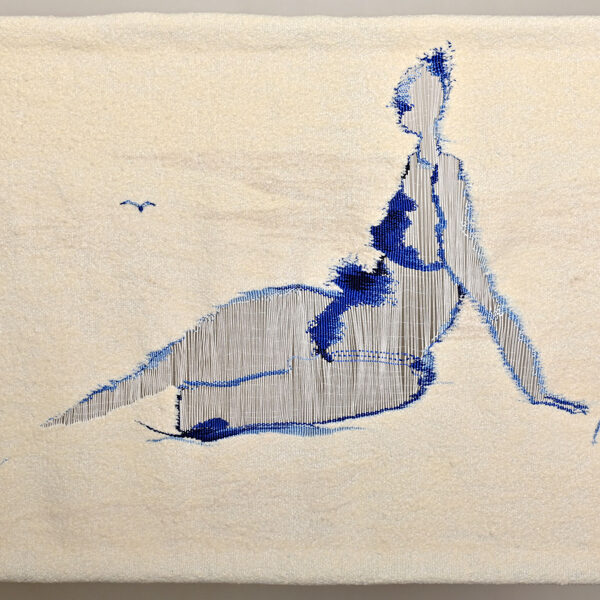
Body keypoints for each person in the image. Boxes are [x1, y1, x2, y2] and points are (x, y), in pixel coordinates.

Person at [46, 47, 587, 440]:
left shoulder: (447, 180)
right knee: (201, 346)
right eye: (403, 98)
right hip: (340, 317)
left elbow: (488, 297)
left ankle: (183, 411)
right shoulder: (416, 167)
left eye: (412, 96)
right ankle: (79, 416)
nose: (400, 107)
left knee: (227, 395)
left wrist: (536, 390)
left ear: (433, 101)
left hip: (386, 357)